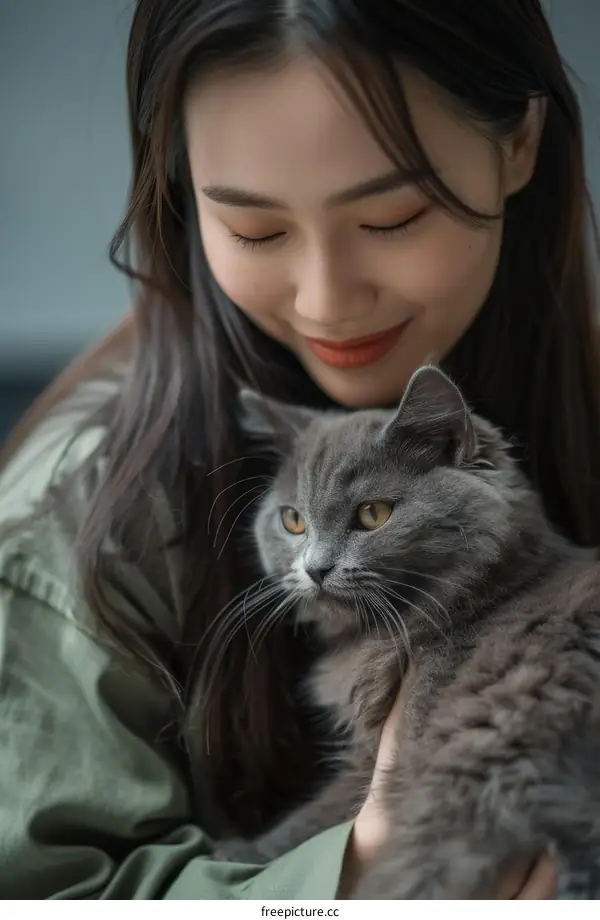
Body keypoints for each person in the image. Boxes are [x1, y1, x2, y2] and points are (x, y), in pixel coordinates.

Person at [1, 0, 596, 899]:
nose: (326, 300)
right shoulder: (76, 522)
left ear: (519, 145)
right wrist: (352, 871)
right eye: (256, 229)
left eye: (392, 216)